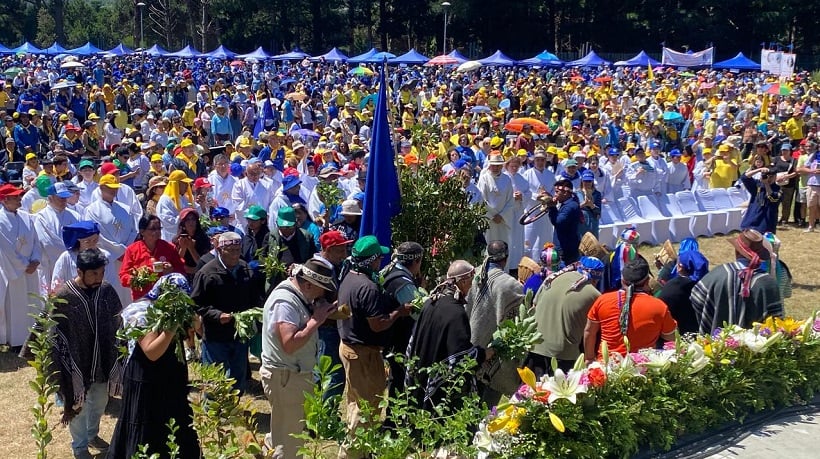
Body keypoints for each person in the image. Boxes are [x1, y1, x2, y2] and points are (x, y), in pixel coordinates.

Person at [108, 274, 200, 459]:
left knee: (175, 423)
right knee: (147, 428)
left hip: (171, 376)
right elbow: (151, 352)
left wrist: (193, 320)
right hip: (146, 378)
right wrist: (172, 325)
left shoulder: (179, 310)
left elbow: (198, 332)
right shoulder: (140, 311)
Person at [260, 259, 337, 458]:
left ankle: (267, 449)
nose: (323, 295)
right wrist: (316, 320)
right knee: (290, 445)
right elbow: (289, 344)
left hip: (293, 377)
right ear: (308, 284)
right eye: (322, 290)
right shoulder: (284, 302)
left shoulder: (299, 296)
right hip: (285, 377)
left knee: (286, 430)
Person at [52, 248, 122, 459]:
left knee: (100, 401)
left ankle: (92, 434)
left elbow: (118, 319)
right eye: (93, 273)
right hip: (75, 362)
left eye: (101, 272)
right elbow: (50, 328)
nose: (98, 278)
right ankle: (80, 446)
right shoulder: (65, 295)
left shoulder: (107, 290)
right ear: (80, 271)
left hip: (102, 359)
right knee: (78, 404)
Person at [338, 236, 410, 434]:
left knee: (356, 401)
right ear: (372, 260)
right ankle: (354, 452)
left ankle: (357, 446)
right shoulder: (367, 287)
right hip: (363, 354)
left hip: (349, 347)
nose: (381, 262)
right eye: (379, 258)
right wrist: (399, 312)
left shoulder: (349, 277)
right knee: (368, 406)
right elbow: (378, 325)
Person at [406, 260, 494, 411]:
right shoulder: (456, 312)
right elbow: (462, 356)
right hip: (441, 385)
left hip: (423, 368)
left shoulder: (431, 301)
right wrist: (484, 353)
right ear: (464, 281)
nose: (473, 285)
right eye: (472, 280)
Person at [191, 231, 263, 392]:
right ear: (220, 251)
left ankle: (233, 410)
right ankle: (213, 413)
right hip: (216, 335)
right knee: (216, 379)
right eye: (231, 251)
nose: (235, 255)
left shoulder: (246, 270)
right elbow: (196, 303)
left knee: (238, 376)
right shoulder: (207, 272)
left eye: (238, 251)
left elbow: (255, 298)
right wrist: (217, 315)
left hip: (239, 335)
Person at [584, 256, 677, 362]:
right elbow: (671, 338)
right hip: (643, 371)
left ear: (622, 280)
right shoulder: (659, 307)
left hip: (606, 369)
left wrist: (589, 359)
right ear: (647, 281)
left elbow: (589, 332)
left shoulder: (603, 300)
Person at [690, 229, 784, 334]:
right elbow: (777, 323)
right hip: (758, 348)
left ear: (737, 251)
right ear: (761, 255)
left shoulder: (716, 274)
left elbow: (696, 298)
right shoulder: (768, 283)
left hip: (716, 346)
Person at [466, 240, 524, 405]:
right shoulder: (511, 285)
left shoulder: (471, 275)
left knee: (468, 402)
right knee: (487, 407)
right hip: (494, 353)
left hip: (468, 347)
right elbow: (515, 323)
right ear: (505, 258)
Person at [525, 256, 603, 377]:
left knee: (531, 392)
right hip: (564, 354)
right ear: (596, 279)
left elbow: (534, 306)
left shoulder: (553, 278)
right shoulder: (595, 295)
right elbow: (593, 331)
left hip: (534, 345)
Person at [380, 241, 423, 423]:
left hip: (389, 336)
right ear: (416, 261)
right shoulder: (403, 283)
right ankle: (394, 422)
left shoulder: (389, 270)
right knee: (399, 380)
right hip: (399, 339)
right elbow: (419, 312)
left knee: (395, 379)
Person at [84, 173, 138, 305]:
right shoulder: (92, 210)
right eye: (110, 188)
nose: (114, 191)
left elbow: (133, 230)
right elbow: (96, 235)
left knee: (127, 293)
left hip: (126, 258)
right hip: (107, 258)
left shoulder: (125, 208)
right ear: (101, 188)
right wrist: (119, 251)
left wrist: (127, 250)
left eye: (115, 188)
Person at [0, 183, 41, 347]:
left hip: (31, 267)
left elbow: (36, 240)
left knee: (31, 302)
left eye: (19, 196)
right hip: (13, 269)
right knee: (16, 304)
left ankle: (33, 337)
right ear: (4, 200)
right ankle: (16, 340)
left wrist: (36, 259)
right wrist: (24, 265)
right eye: (15, 197)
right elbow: (6, 249)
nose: (19, 199)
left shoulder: (27, 217)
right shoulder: (1, 221)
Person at [120, 215, 186, 301]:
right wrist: (139, 278)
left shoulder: (169, 248)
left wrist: (171, 271)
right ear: (142, 231)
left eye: (159, 228)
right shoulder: (132, 250)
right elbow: (123, 276)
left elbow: (181, 270)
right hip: (142, 299)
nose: (157, 232)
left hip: (165, 298)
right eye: (153, 229)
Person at [34, 181, 80, 290]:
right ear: (50, 198)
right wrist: (69, 253)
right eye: (60, 198)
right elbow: (48, 243)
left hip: (73, 265)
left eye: (65, 198)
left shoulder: (75, 216)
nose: (64, 201)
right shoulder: (41, 218)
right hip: (50, 265)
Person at [51, 221, 120, 293]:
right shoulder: (66, 257)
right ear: (79, 240)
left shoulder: (105, 255)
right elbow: (57, 281)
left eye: (95, 240)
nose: (92, 244)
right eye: (87, 242)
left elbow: (112, 282)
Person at [657, 251, 708, 335]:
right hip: (704, 333)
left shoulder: (672, 287)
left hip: (677, 335)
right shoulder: (706, 284)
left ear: (680, 267)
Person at [522, 148, 556, 260]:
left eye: (542, 160)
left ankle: (545, 261)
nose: (540, 162)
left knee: (545, 238)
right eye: (538, 160)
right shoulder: (527, 174)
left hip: (546, 213)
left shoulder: (550, 175)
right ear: (534, 161)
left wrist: (549, 197)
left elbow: (554, 190)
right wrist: (537, 196)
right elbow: (525, 191)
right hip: (532, 211)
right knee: (530, 239)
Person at [477, 154, 514, 257]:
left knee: (503, 244)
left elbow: (511, 201)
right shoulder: (484, 179)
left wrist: (501, 215)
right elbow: (481, 200)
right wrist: (492, 216)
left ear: (502, 166)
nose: (495, 168)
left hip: (503, 220)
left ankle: (504, 269)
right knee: (489, 244)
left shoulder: (507, 179)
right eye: (493, 165)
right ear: (489, 165)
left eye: (498, 165)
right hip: (489, 220)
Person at [739, 165, 781, 234]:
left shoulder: (778, 188)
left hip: (766, 225)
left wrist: (766, 184)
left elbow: (773, 198)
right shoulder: (757, 184)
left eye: (771, 177)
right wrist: (759, 170)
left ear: (776, 176)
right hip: (751, 222)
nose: (769, 179)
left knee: (765, 244)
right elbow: (744, 177)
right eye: (767, 176)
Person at [547, 178, 581, 263]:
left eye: (557, 192)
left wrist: (552, 207)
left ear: (565, 193)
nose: (555, 195)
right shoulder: (567, 204)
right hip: (565, 247)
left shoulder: (570, 206)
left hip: (566, 249)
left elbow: (558, 222)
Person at [156, 169, 194, 241]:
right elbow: (167, 222)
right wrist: (184, 218)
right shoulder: (165, 200)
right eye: (184, 183)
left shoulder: (185, 198)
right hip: (170, 239)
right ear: (176, 184)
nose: (187, 185)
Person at [576, 170, 602, 238]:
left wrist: (592, 206)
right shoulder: (576, 193)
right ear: (582, 181)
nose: (587, 183)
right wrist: (583, 204)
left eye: (589, 181)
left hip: (592, 225)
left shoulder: (597, 194)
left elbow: (599, 214)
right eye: (585, 181)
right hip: (580, 225)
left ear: (592, 181)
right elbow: (573, 209)